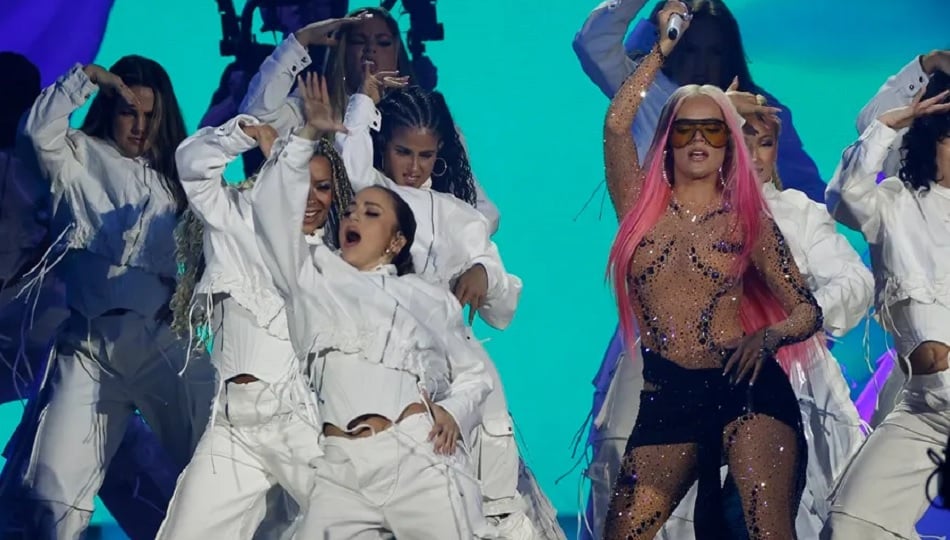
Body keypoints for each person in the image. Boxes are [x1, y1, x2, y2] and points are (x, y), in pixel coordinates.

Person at [601, 5, 823, 539]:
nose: (698, 140)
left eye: (712, 130)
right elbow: (616, 123)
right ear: (667, 139)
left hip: (745, 390)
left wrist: (768, 336)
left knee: (766, 532)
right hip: (667, 398)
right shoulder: (638, 206)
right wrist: (662, 50)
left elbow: (806, 310)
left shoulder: (748, 220)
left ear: (727, 142)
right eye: (685, 129)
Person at [249, 91, 493, 537]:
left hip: (416, 456)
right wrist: (306, 133)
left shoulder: (426, 298)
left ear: (396, 241)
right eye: (352, 209)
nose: (352, 215)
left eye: (371, 212)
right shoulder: (310, 273)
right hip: (340, 472)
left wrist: (454, 412)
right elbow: (271, 212)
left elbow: (475, 373)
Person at [338, 78, 566, 539]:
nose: (414, 167)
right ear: (384, 146)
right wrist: (363, 101)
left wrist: (482, 271)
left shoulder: (459, 215)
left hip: (453, 361)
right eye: (403, 152)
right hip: (383, 356)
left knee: (490, 489)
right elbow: (351, 157)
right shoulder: (371, 197)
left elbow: (503, 300)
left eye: (425, 156)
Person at [11, 56, 215, 540]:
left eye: (150, 116)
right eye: (129, 113)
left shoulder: (177, 181)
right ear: (110, 110)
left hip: (162, 342)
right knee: (52, 489)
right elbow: (35, 133)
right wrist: (89, 78)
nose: (140, 126)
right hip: (88, 346)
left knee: (221, 455)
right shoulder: (78, 158)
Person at [155, 83, 350, 536]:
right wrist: (247, 132)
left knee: (349, 525)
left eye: (323, 188)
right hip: (232, 424)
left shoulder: (331, 263)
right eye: (302, 181)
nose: (311, 197)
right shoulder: (235, 217)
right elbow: (192, 165)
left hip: (299, 420)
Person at [821, 72, 950, 540]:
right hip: (923, 409)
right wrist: (888, 126)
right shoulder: (895, 202)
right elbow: (842, 198)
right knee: (850, 523)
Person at [240, 7, 501, 232]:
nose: (370, 50)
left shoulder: (428, 122)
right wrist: (299, 41)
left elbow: (483, 211)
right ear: (343, 49)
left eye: (383, 42)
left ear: (397, 50)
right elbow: (254, 118)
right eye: (359, 41)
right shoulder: (316, 106)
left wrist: (468, 255)